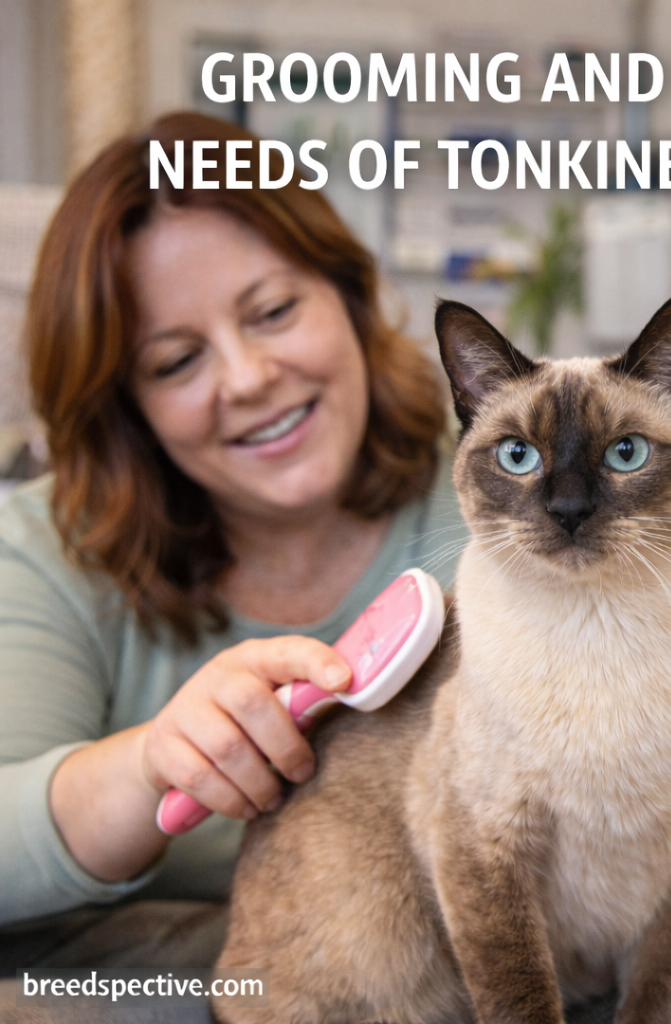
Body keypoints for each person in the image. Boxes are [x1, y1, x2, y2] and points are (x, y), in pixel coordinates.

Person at [0, 111, 467, 962]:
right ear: (126, 413)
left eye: (275, 310)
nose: (249, 379)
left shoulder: (501, 496)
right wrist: (151, 764)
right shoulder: (37, 553)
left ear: (349, 296)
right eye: (177, 362)